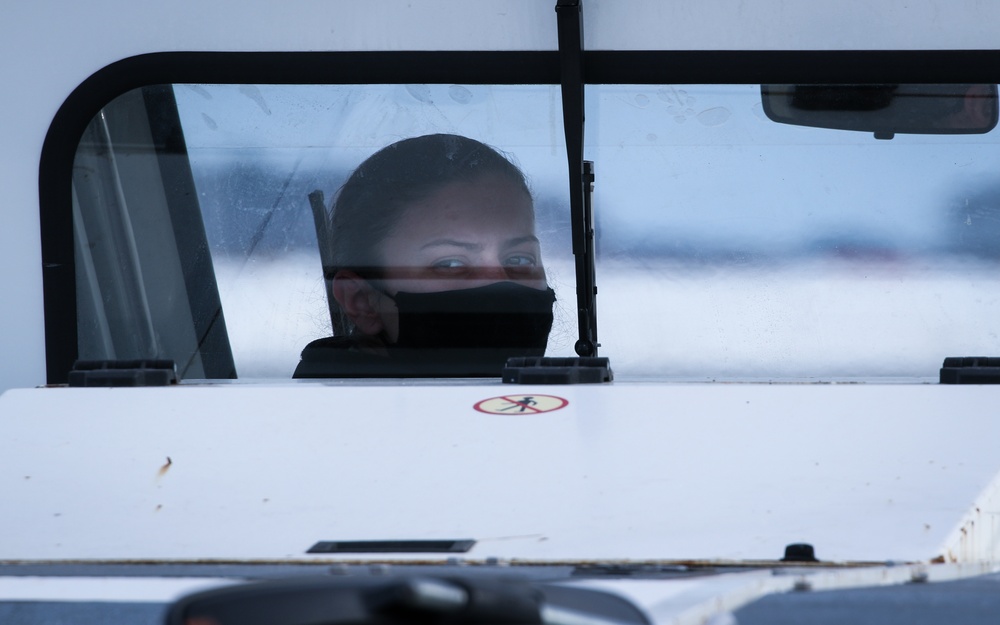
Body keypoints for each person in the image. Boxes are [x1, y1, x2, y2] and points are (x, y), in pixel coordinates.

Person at [294, 133, 556, 377]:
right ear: (361, 301)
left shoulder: (564, 413)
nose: (499, 282)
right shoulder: (313, 420)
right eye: (450, 263)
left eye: (519, 259)